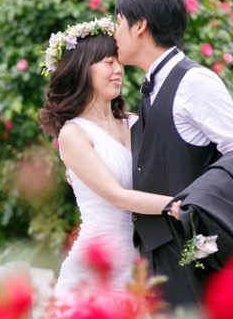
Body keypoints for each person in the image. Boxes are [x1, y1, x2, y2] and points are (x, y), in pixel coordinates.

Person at [113, 0, 233, 313]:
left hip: (192, 256)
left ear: (139, 26)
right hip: (158, 255)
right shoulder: (151, 87)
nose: (114, 33)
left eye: (118, 22)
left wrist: (193, 208)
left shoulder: (194, 82)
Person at [38, 17, 174, 300]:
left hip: (140, 266)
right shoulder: (74, 134)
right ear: (81, 69)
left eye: (118, 62)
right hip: (94, 270)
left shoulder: (136, 123)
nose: (118, 70)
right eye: (107, 63)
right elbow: (116, 195)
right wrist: (179, 207)